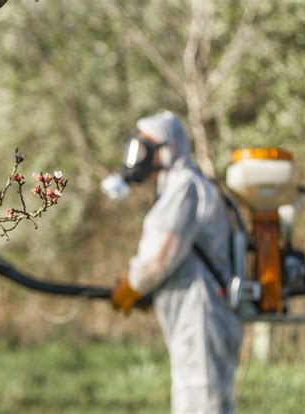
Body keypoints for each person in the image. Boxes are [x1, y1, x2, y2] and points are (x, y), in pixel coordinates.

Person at [103, 111, 243, 414]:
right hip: (193, 316)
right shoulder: (177, 187)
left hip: (202, 316)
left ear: (167, 149)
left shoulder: (184, 187)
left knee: (201, 401)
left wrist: (133, 287)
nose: (138, 157)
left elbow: (160, 258)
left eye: (144, 148)